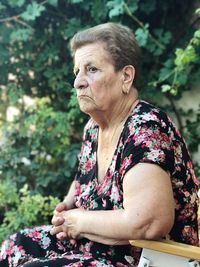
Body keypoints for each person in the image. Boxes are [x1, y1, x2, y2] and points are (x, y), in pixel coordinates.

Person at [0, 22, 199, 267]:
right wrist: (67, 208)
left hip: (149, 259)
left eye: (91, 69)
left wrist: (79, 222)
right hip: (96, 249)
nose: (78, 82)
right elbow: (87, 181)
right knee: (15, 246)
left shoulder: (146, 128)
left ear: (125, 76)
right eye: (77, 72)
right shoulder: (94, 128)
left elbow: (149, 223)